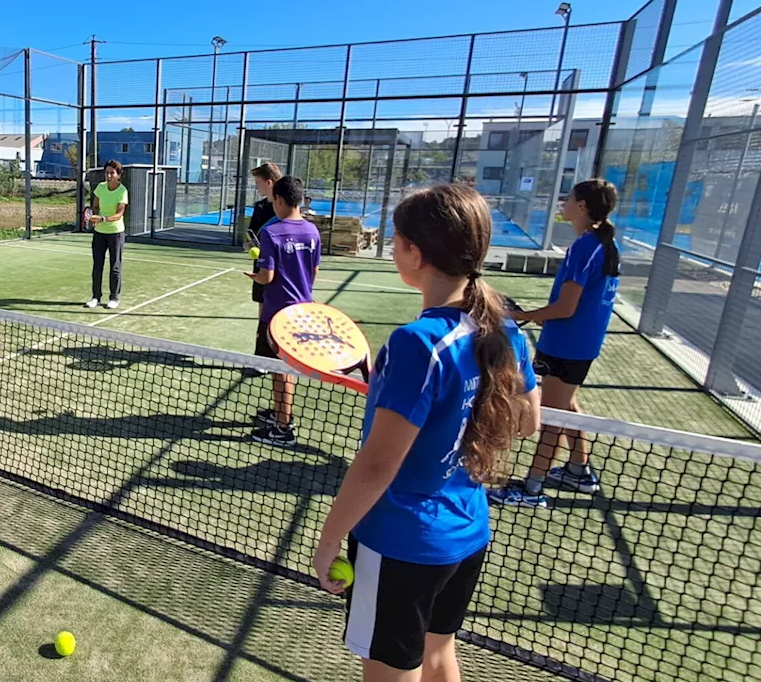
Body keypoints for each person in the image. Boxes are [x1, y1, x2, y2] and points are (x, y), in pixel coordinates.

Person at [311, 184, 540, 682]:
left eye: (395, 241)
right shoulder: (506, 328)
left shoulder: (418, 343)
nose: (392, 249)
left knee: (393, 672)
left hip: (402, 541)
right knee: (439, 657)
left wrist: (328, 541)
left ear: (415, 252)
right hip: (467, 532)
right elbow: (527, 423)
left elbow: (376, 466)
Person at [490, 179, 620, 508]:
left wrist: (520, 313)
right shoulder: (597, 244)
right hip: (573, 344)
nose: (563, 202)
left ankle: (532, 489)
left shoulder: (586, 247)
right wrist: (532, 315)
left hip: (568, 346)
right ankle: (579, 470)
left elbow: (566, 308)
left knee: (551, 415)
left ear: (582, 206)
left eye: (569, 198)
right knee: (566, 406)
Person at [245, 176, 321, 447]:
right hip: (302, 310)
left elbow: (267, 276)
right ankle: (280, 413)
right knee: (286, 368)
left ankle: (283, 427)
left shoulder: (271, 233)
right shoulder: (312, 231)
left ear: (278, 200)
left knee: (280, 369)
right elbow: (314, 272)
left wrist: (252, 276)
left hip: (277, 314)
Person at [244, 162, 284, 379]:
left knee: (278, 319)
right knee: (264, 316)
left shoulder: (286, 208)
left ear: (269, 182)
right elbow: (250, 237)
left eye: (258, 183)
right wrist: (250, 246)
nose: (257, 187)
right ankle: (262, 359)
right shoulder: (259, 207)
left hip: (280, 273)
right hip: (261, 270)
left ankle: (276, 359)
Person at [86, 160, 127, 309]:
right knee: (97, 266)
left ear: (118, 175)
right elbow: (95, 206)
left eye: (112, 173)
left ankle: (114, 298)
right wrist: (93, 216)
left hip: (116, 233)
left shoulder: (122, 191)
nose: (108, 176)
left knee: (115, 267)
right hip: (99, 233)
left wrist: (103, 219)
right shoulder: (101, 188)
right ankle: (95, 297)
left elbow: (119, 214)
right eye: (107, 172)